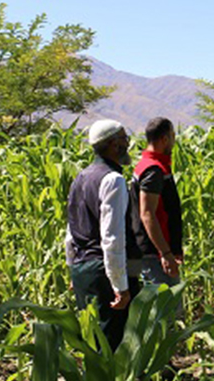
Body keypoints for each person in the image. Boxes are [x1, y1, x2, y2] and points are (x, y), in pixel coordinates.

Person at [66, 119, 142, 350]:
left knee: (93, 343)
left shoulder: (81, 177)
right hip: (104, 273)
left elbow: (71, 231)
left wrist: (73, 269)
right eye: (124, 139)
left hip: (83, 270)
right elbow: (112, 238)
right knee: (111, 347)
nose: (127, 143)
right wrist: (120, 285)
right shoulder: (113, 180)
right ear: (112, 144)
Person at [132, 117, 184, 289]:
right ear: (164, 139)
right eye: (173, 136)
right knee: (166, 311)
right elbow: (147, 214)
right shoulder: (153, 170)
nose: (174, 141)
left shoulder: (146, 165)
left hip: (156, 253)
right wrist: (166, 253)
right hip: (155, 256)